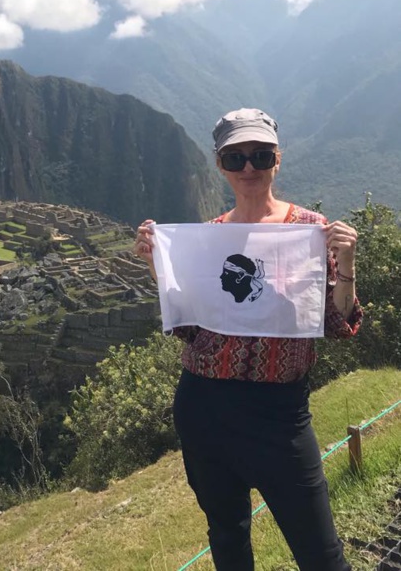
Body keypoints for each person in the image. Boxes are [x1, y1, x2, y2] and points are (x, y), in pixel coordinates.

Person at [134, 107, 362, 571]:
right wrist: (160, 265)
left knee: (321, 553)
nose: (249, 169)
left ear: (277, 159)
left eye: (259, 155)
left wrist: (348, 267)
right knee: (227, 533)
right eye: (235, 159)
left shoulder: (311, 231)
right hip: (204, 407)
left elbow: (340, 324)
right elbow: (190, 327)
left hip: (280, 416)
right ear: (220, 167)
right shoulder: (211, 238)